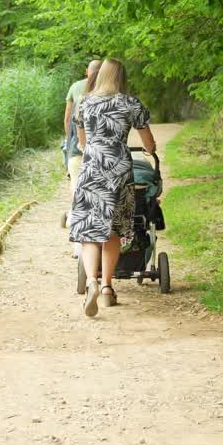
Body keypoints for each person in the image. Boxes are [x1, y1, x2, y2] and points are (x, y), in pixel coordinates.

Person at [67, 58, 156, 317]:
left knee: (89, 231)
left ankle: (91, 282)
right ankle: (107, 288)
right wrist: (150, 150)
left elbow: (82, 142)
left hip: (93, 167)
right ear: (122, 78)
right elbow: (148, 143)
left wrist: (94, 146)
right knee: (113, 229)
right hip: (119, 168)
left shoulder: (86, 103)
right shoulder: (131, 103)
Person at [62, 60, 102, 258]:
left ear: (87, 72)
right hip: (103, 151)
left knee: (77, 188)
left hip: (78, 148)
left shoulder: (76, 88)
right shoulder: (110, 91)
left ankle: (79, 244)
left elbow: (68, 118)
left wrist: (69, 142)